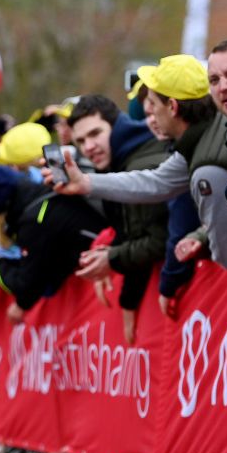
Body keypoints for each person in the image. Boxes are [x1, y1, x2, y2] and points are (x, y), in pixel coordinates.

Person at [46, 54, 225, 319]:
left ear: (172, 107)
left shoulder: (208, 155)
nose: (148, 113)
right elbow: (156, 182)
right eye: (81, 140)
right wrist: (85, 183)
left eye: (152, 104)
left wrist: (119, 263)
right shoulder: (189, 147)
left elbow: (165, 233)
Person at [66, 94, 169, 343]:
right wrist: (110, 252)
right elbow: (130, 232)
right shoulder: (117, 163)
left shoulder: (140, 163)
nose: (88, 146)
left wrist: (111, 260)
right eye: (80, 140)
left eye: (95, 134)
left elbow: (157, 240)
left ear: (116, 126)